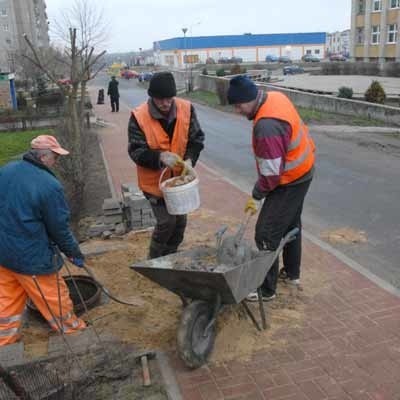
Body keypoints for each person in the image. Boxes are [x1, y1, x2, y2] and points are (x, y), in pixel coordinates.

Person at [227, 75, 315, 301]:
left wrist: (257, 195)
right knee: (290, 224)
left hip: (290, 179)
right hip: (303, 170)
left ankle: (266, 290)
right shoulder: (273, 96)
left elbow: (271, 175)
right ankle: (292, 274)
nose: (237, 111)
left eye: (238, 106)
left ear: (250, 98)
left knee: (266, 233)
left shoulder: (267, 125)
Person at [0, 135, 86, 346]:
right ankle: (75, 333)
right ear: (45, 157)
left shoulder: (6, 170)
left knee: (6, 303)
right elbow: (59, 229)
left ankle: (4, 344)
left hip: (3, 253)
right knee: (55, 299)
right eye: (56, 157)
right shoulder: (49, 185)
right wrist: (74, 253)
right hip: (32, 259)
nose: (56, 162)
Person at [128, 71, 205, 259]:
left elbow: (196, 139)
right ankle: (154, 259)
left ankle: (170, 256)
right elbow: (135, 151)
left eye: (169, 99)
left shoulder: (186, 109)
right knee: (166, 223)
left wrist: (189, 160)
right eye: (160, 99)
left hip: (179, 182)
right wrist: (159, 157)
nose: (165, 103)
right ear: (152, 97)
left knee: (180, 222)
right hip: (154, 183)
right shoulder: (139, 117)